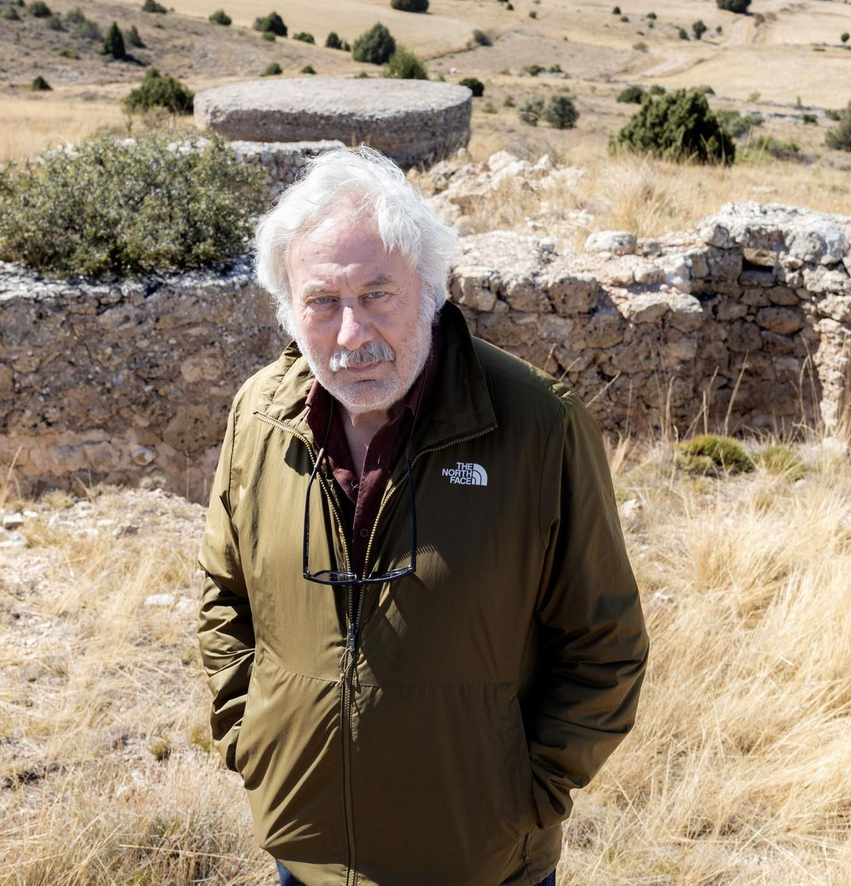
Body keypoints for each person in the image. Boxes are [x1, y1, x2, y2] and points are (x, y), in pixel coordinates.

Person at [198, 146, 648, 886]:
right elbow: (226, 596)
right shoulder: (259, 416)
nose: (351, 335)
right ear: (289, 309)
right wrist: (257, 745)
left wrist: (523, 799)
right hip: (305, 853)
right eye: (322, 301)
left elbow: (606, 644)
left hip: (480, 864)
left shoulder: (538, 426)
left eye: (378, 294)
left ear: (431, 289)